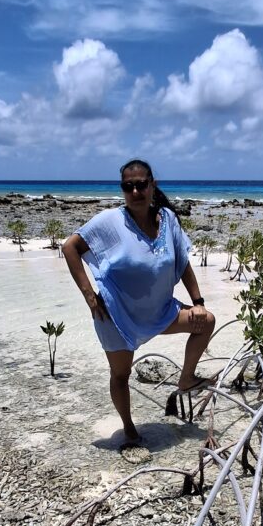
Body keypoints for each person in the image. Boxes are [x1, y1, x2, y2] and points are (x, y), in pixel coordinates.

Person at [62, 159, 216, 444]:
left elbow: (182, 263)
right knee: (120, 375)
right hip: (117, 317)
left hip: (161, 312)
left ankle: (186, 379)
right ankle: (129, 428)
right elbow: (70, 247)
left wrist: (198, 301)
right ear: (122, 189)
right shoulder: (109, 222)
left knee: (206, 322)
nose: (135, 191)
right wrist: (88, 294)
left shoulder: (168, 219)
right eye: (128, 186)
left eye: (141, 184)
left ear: (152, 185)